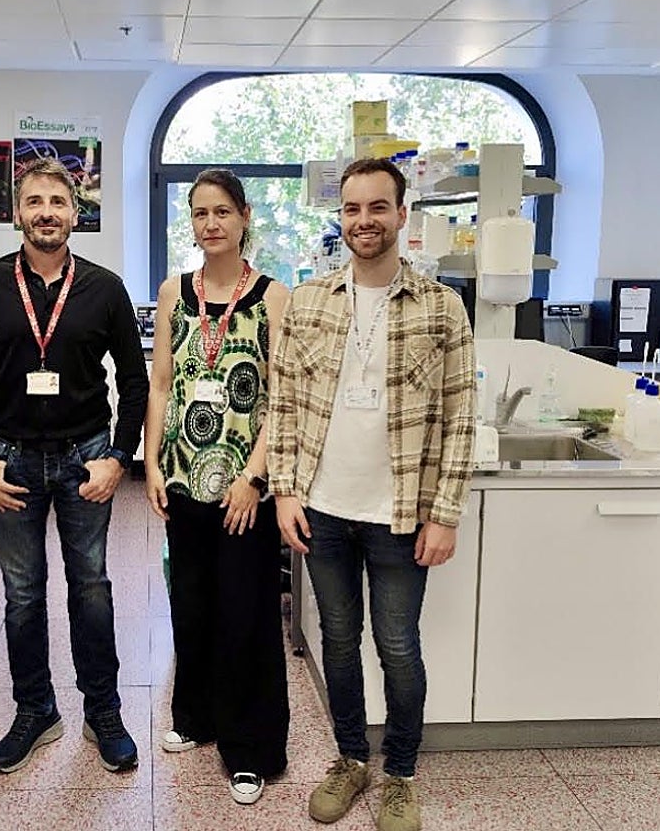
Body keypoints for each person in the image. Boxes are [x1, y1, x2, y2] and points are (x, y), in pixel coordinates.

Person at [267, 158, 476, 831]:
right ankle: (352, 759)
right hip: (323, 510)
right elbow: (287, 402)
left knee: (398, 647)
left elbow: (460, 416)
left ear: (401, 214)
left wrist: (443, 515)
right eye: (352, 209)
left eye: (377, 208)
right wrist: (284, 493)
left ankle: (401, 774)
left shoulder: (442, 307)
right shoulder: (309, 300)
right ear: (341, 217)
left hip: (399, 516)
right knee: (335, 641)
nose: (364, 221)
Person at [0, 157, 149, 775]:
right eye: (34, 202)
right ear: (16, 213)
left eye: (57, 202)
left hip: (87, 458)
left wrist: (119, 456)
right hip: (7, 462)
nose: (46, 213)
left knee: (92, 589)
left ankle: (102, 711)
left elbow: (134, 382)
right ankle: (35, 710)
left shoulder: (104, 288)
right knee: (22, 595)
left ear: (75, 212)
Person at [144, 169, 292, 805]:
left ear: (244, 217)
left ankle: (250, 746)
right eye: (200, 213)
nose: (210, 224)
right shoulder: (174, 292)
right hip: (182, 481)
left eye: (222, 212)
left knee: (246, 613)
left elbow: (282, 399)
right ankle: (196, 716)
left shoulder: (273, 296)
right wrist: (151, 464)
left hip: (242, 489)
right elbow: (159, 385)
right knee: (192, 604)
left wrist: (254, 478)